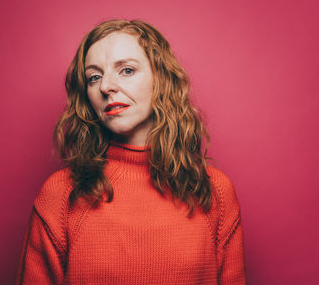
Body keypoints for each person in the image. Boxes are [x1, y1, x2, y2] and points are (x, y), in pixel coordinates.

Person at [16, 19, 246, 284]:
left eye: (126, 70)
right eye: (94, 76)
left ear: (161, 79)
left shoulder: (214, 191)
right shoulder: (61, 195)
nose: (106, 87)